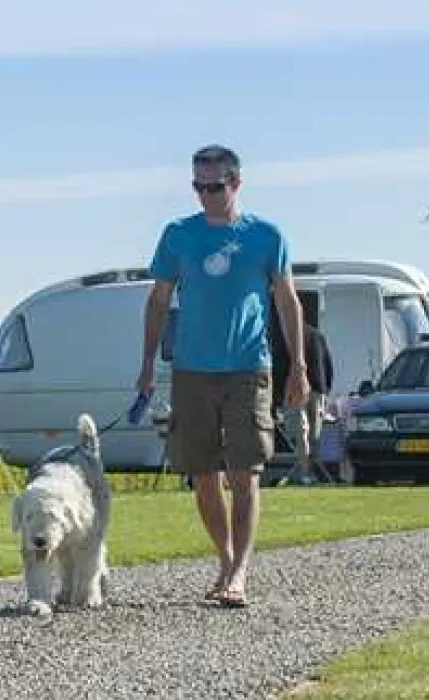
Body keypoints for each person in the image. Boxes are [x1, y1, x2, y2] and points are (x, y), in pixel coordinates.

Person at [137, 144, 308, 609]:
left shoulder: (266, 236)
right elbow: (158, 301)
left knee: (245, 468)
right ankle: (224, 556)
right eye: (198, 186)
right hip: (192, 367)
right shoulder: (178, 235)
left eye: (214, 187)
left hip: (249, 366)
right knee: (204, 472)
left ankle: (239, 573)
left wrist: (299, 366)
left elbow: (287, 301)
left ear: (235, 183)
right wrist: (148, 364)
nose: (205, 195)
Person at [268, 304, 333, 484]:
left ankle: (303, 471)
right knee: (314, 433)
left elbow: (279, 367)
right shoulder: (318, 336)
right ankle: (313, 469)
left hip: (294, 390)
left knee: (299, 432)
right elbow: (328, 364)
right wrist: (326, 388)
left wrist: (276, 397)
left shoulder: (284, 339)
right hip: (318, 389)